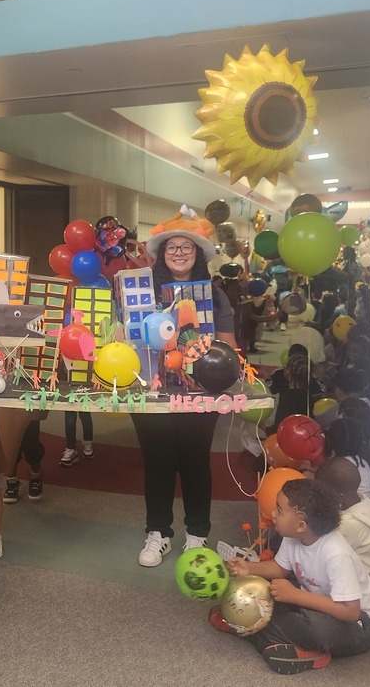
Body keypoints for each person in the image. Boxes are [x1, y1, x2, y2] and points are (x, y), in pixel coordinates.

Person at [131, 206, 237, 567]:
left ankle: (197, 535)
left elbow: (228, 347)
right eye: (172, 247)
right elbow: (128, 335)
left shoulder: (215, 296)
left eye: (186, 247)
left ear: (198, 253)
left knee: (195, 460)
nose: (178, 253)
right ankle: (157, 533)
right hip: (153, 388)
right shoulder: (143, 292)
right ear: (162, 253)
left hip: (200, 392)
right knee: (157, 461)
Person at [214, 479, 370, 674]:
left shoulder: (336, 554)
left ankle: (249, 628)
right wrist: (248, 568)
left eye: (279, 511)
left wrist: (295, 596)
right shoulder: (292, 536)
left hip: (359, 626)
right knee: (265, 592)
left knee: (301, 625)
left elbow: (350, 612)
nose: (273, 514)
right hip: (316, 606)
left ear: (301, 525)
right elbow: (279, 568)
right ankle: (269, 636)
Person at [315, 457, 370, 583]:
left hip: (353, 585)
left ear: (338, 497)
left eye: (321, 491)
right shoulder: (365, 501)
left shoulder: (348, 524)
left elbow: (318, 552)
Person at [321, 418, 370, 499]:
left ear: (330, 442)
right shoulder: (363, 462)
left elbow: (321, 490)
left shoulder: (337, 466)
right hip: (369, 502)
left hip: (352, 505)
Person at [3, 419, 44, 502]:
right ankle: (11, 480)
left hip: (30, 413)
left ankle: (35, 475)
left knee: (32, 441)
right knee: (11, 440)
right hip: (9, 413)